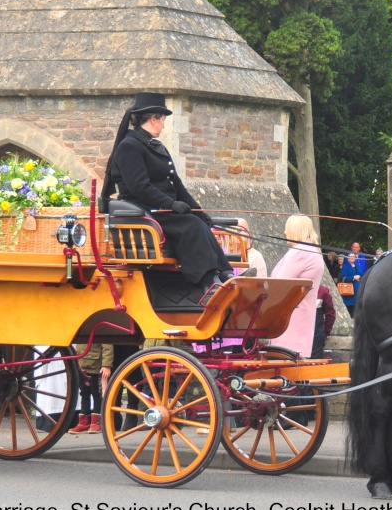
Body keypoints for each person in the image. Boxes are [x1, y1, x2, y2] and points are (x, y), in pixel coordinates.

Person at [102, 92, 239, 290]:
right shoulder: (129, 147)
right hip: (144, 210)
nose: (164, 125)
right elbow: (139, 187)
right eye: (163, 120)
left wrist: (199, 211)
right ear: (153, 118)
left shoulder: (156, 146)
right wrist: (171, 204)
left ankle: (225, 272)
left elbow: (176, 184)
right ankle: (208, 281)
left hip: (162, 209)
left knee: (198, 221)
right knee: (191, 225)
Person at [269, 215, 325, 358]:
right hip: (302, 316)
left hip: (290, 320)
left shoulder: (301, 252)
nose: (285, 232)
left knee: (283, 364)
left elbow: (278, 284)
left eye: (287, 229)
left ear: (295, 230)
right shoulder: (312, 250)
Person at [69, 344, 113, 435]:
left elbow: (107, 346)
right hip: (81, 365)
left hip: (96, 367)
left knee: (96, 394)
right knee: (84, 393)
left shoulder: (102, 330)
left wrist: (106, 365)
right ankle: (84, 422)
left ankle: (96, 421)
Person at [311, 284, 336, 360]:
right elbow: (330, 315)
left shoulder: (291, 288)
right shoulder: (322, 290)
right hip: (315, 338)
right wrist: (324, 333)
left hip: (293, 340)